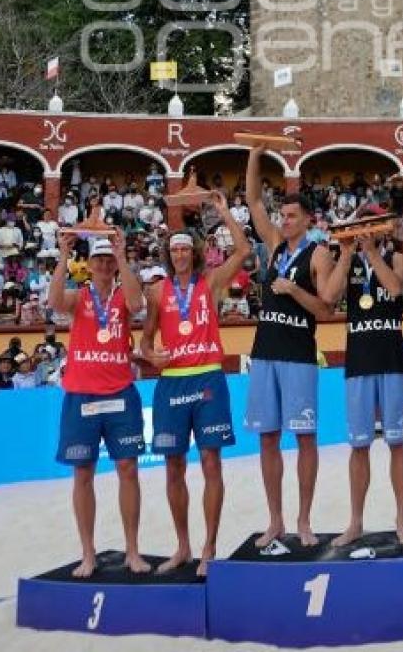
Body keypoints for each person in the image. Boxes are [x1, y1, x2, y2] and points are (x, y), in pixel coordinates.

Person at [141, 194, 250, 576]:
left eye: (186, 249)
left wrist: (223, 213)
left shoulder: (212, 281)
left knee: (210, 462)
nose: (181, 255)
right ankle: (183, 545)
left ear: (195, 253)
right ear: (169, 256)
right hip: (171, 382)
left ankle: (209, 546)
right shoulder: (157, 291)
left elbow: (244, 249)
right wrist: (149, 355)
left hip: (207, 378)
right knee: (173, 468)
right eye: (176, 250)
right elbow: (145, 338)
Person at [243, 146, 335, 549]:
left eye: (292, 215)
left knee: (305, 439)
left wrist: (294, 289)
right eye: (283, 214)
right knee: (267, 438)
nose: (285, 219)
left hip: (299, 354)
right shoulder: (275, 243)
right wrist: (255, 154)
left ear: (308, 220)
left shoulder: (318, 254)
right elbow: (251, 200)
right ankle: (275, 519)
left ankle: (304, 519)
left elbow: (326, 309)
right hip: (265, 352)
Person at [50, 231, 149, 577]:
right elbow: (55, 302)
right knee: (83, 474)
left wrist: (123, 256)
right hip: (81, 394)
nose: (105, 265)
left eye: (109, 260)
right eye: (100, 260)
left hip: (120, 392)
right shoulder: (79, 297)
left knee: (129, 470)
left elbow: (138, 306)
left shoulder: (123, 295)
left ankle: (132, 550)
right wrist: (64, 256)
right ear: (89, 265)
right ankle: (88, 553)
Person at [321, 224, 403, 546]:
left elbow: (395, 289)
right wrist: (347, 253)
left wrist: (372, 252)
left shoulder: (395, 257)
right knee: (359, 445)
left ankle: (402, 518)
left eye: (371, 227)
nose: (364, 232)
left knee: (396, 442)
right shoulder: (345, 260)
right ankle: (355, 522)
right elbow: (330, 296)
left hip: (390, 360)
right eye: (360, 227)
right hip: (359, 362)